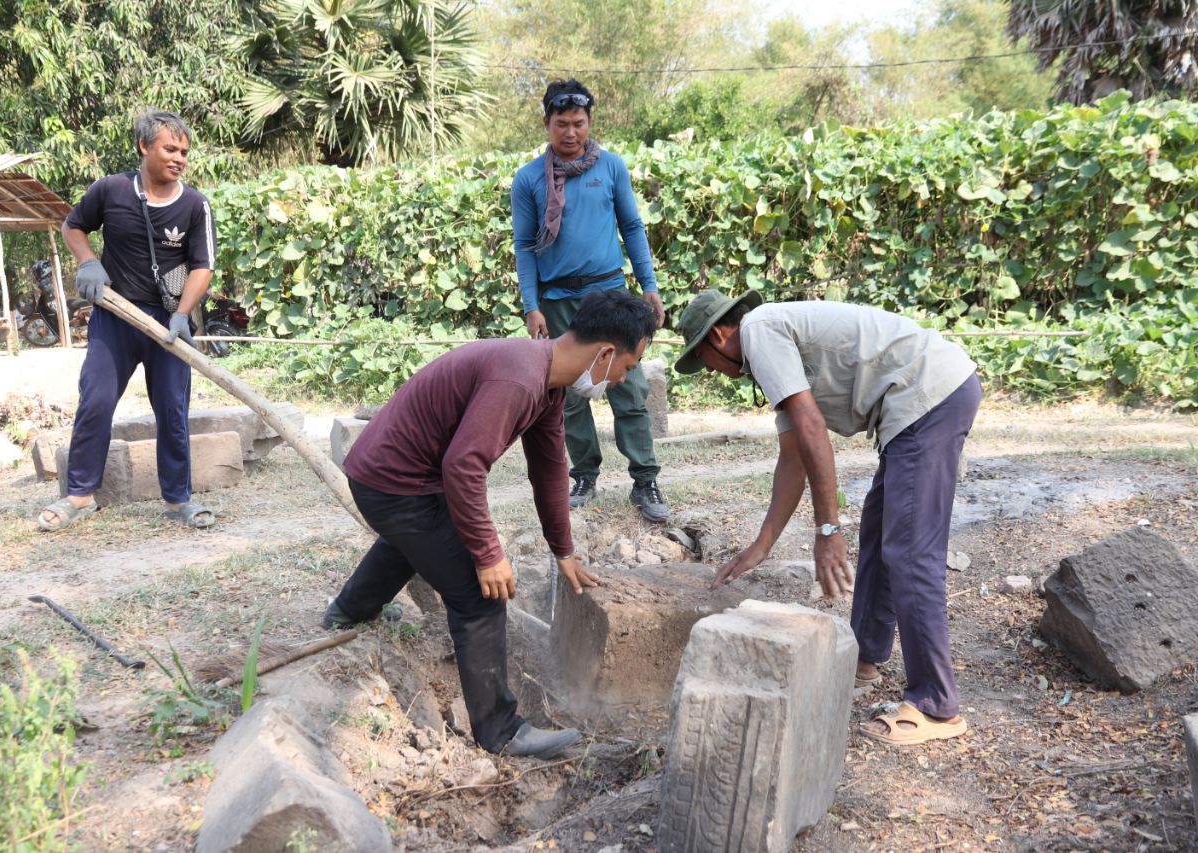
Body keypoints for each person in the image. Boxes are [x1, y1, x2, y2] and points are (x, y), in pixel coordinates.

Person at [322, 290, 657, 759]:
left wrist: (563, 551)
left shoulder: (547, 381)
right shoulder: (520, 381)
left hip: (395, 477)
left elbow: (549, 467)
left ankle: (347, 611)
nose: (623, 379)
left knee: (416, 540)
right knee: (479, 596)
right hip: (395, 484)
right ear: (604, 353)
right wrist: (488, 555)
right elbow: (464, 465)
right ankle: (501, 731)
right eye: (627, 366)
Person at [674, 289, 982, 746]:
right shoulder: (770, 350)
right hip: (914, 404)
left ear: (720, 335)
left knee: (912, 552)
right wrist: (762, 544)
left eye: (705, 360)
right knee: (882, 537)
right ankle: (863, 658)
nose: (713, 374)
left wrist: (827, 530)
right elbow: (793, 457)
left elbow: (813, 427)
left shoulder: (759, 331)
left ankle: (937, 706)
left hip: (928, 395)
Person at [38, 109, 217, 532]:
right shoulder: (111, 190)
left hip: (165, 324)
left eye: (184, 152)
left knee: (172, 408)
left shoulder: (195, 205)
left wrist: (181, 315)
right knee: (95, 401)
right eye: (170, 149)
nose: (179, 158)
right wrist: (88, 262)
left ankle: (178, 500)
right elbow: (73, 225)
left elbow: (202, 266)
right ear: (144, 146)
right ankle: (80, 497)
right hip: (115, 316)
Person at [511, 78, 669, 522]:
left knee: (630, 389)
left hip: (611, 293)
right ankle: (583, 475)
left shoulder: (612, 168)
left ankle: (645, 479)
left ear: (589, 122)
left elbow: (633, 229)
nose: (570, 133)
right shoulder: (527, 180)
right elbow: (525, 246)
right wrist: (531, 305)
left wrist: (649, 286)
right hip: (558, 299)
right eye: (561, 124)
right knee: (569, 394)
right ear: (547, 124)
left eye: (578, 123)